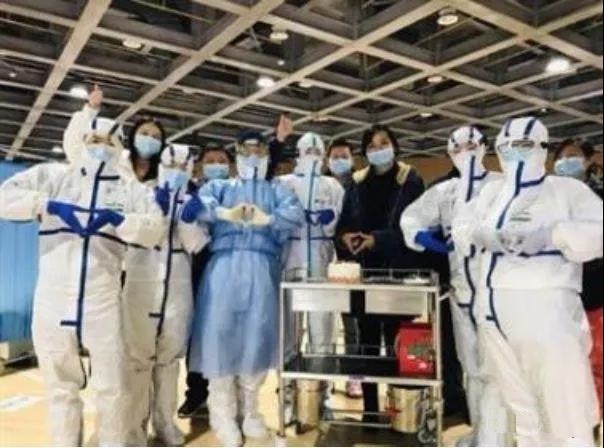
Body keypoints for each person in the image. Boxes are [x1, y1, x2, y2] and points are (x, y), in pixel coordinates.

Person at [0, 117, 165, 446]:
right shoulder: (54, 176)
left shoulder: (129, 188)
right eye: (93, 139)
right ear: (81, 140)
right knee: (59, 385)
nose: (100, 147)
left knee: (112, 385)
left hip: (101, 298)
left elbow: (154, 229)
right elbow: (4, 197)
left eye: (108, 141)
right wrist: (46, 205)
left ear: (119, 146)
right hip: (53, 297)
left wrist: (121, 220)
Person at [452, 117, 603, 446]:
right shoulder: (492, 192)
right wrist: (482, 234)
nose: (514, 154)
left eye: (523, 146)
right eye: (506, 147)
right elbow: (462, 225)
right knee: (519, 407)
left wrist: (552, 235)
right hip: (491, 313)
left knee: (563, 405)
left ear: (542, 148)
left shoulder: (565, 191)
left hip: (546, 312)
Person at [184, 131, 304, 446]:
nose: (252, 156)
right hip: (223, 266)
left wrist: (269, 219)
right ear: (236, 154)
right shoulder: (221, 186)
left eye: (259, 150)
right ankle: (222, 415)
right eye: (246, 150)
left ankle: (250, 411)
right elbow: (199, 205)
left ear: (267, 155)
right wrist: (224, 213)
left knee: (257, 336)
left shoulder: (277, 189)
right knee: (220, 334)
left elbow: (295, 214)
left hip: (262, 267)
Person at [400, 126, 507, 446]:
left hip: (499, 295)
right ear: (449, 153)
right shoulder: (445, 191)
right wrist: (423, 237)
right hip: (462, 294)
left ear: (484, 147)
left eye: (471, 145)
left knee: (501, 368)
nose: (465, 152)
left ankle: (503, 436)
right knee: (471, 367)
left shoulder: (502, 185)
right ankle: (481, 432)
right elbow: (411, 218)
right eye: (457, 147)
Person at [336, 124, 425, 422]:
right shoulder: (357, 181)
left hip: (400, 271)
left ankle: (402, 411)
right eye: (371, 146)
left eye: (383, 143)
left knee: (399, 343)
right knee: (369, 345)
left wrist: (378, 240)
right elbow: (344, 222)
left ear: (395, 145)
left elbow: (415, 226)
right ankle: (371, 411)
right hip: (366, 274)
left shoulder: (409, 179)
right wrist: (346, 237)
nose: (378, 150)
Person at [122, 144, 209, 446]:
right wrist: (156, 213)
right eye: (171, 164)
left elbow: (197, 245)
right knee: (137, 359)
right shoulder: (141, 193)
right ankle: (134, 428)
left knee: (169, 359)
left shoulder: (195, 201)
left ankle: (165, 423)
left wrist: (187, 221)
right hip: (142, 282)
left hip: (178, 286)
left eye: (183, 166)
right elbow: (132, 234)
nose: (177, 171)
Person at [179, 142, 233, 419]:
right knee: (197, 331)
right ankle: (196, 392)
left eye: (221, 160)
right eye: (210, 161)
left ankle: (230, 397)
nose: (216, 165)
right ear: (199, 166)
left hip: (232, 266)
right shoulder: (191, 194)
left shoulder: (238, 193)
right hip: (199, 266)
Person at [279, 132, 345, 353]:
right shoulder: (284, 183)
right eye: (308, 151)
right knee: (288, 311)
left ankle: (322, 362)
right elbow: (276, 216)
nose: (313, 156)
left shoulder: (332, 185)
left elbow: (343, 217)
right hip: (291, 252)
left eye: (318, 152)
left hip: (321, 252)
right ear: (298, 153)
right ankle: (288, 364)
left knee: (322, 310)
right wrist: (292, 217)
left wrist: (331, 217)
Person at [553, 139, 603, 418]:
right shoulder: (549, 197)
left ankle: (596, 417)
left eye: (572, 156)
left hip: (595, 291)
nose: (566, 162)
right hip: (559, 294)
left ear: (586, 161)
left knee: (597, 359)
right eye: (561, 158)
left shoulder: (598, 195)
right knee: (565, 360)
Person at [63, 84, 165, 182]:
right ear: (133, 137)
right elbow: (73, 139)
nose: (103, 147)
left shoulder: (126, 177)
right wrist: (91, 108)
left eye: (156, 137)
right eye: (144, 134)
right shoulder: (78, 169)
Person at [326, 138, 362, 399]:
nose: (339, 160)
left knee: (353, 322)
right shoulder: (319, 185)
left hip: (351, 260)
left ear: (352, 159)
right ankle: (322, 377)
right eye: (335, 156)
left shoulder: (360, 186)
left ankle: (354, 375)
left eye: (344, 156)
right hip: (321, 256)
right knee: (321, 320)